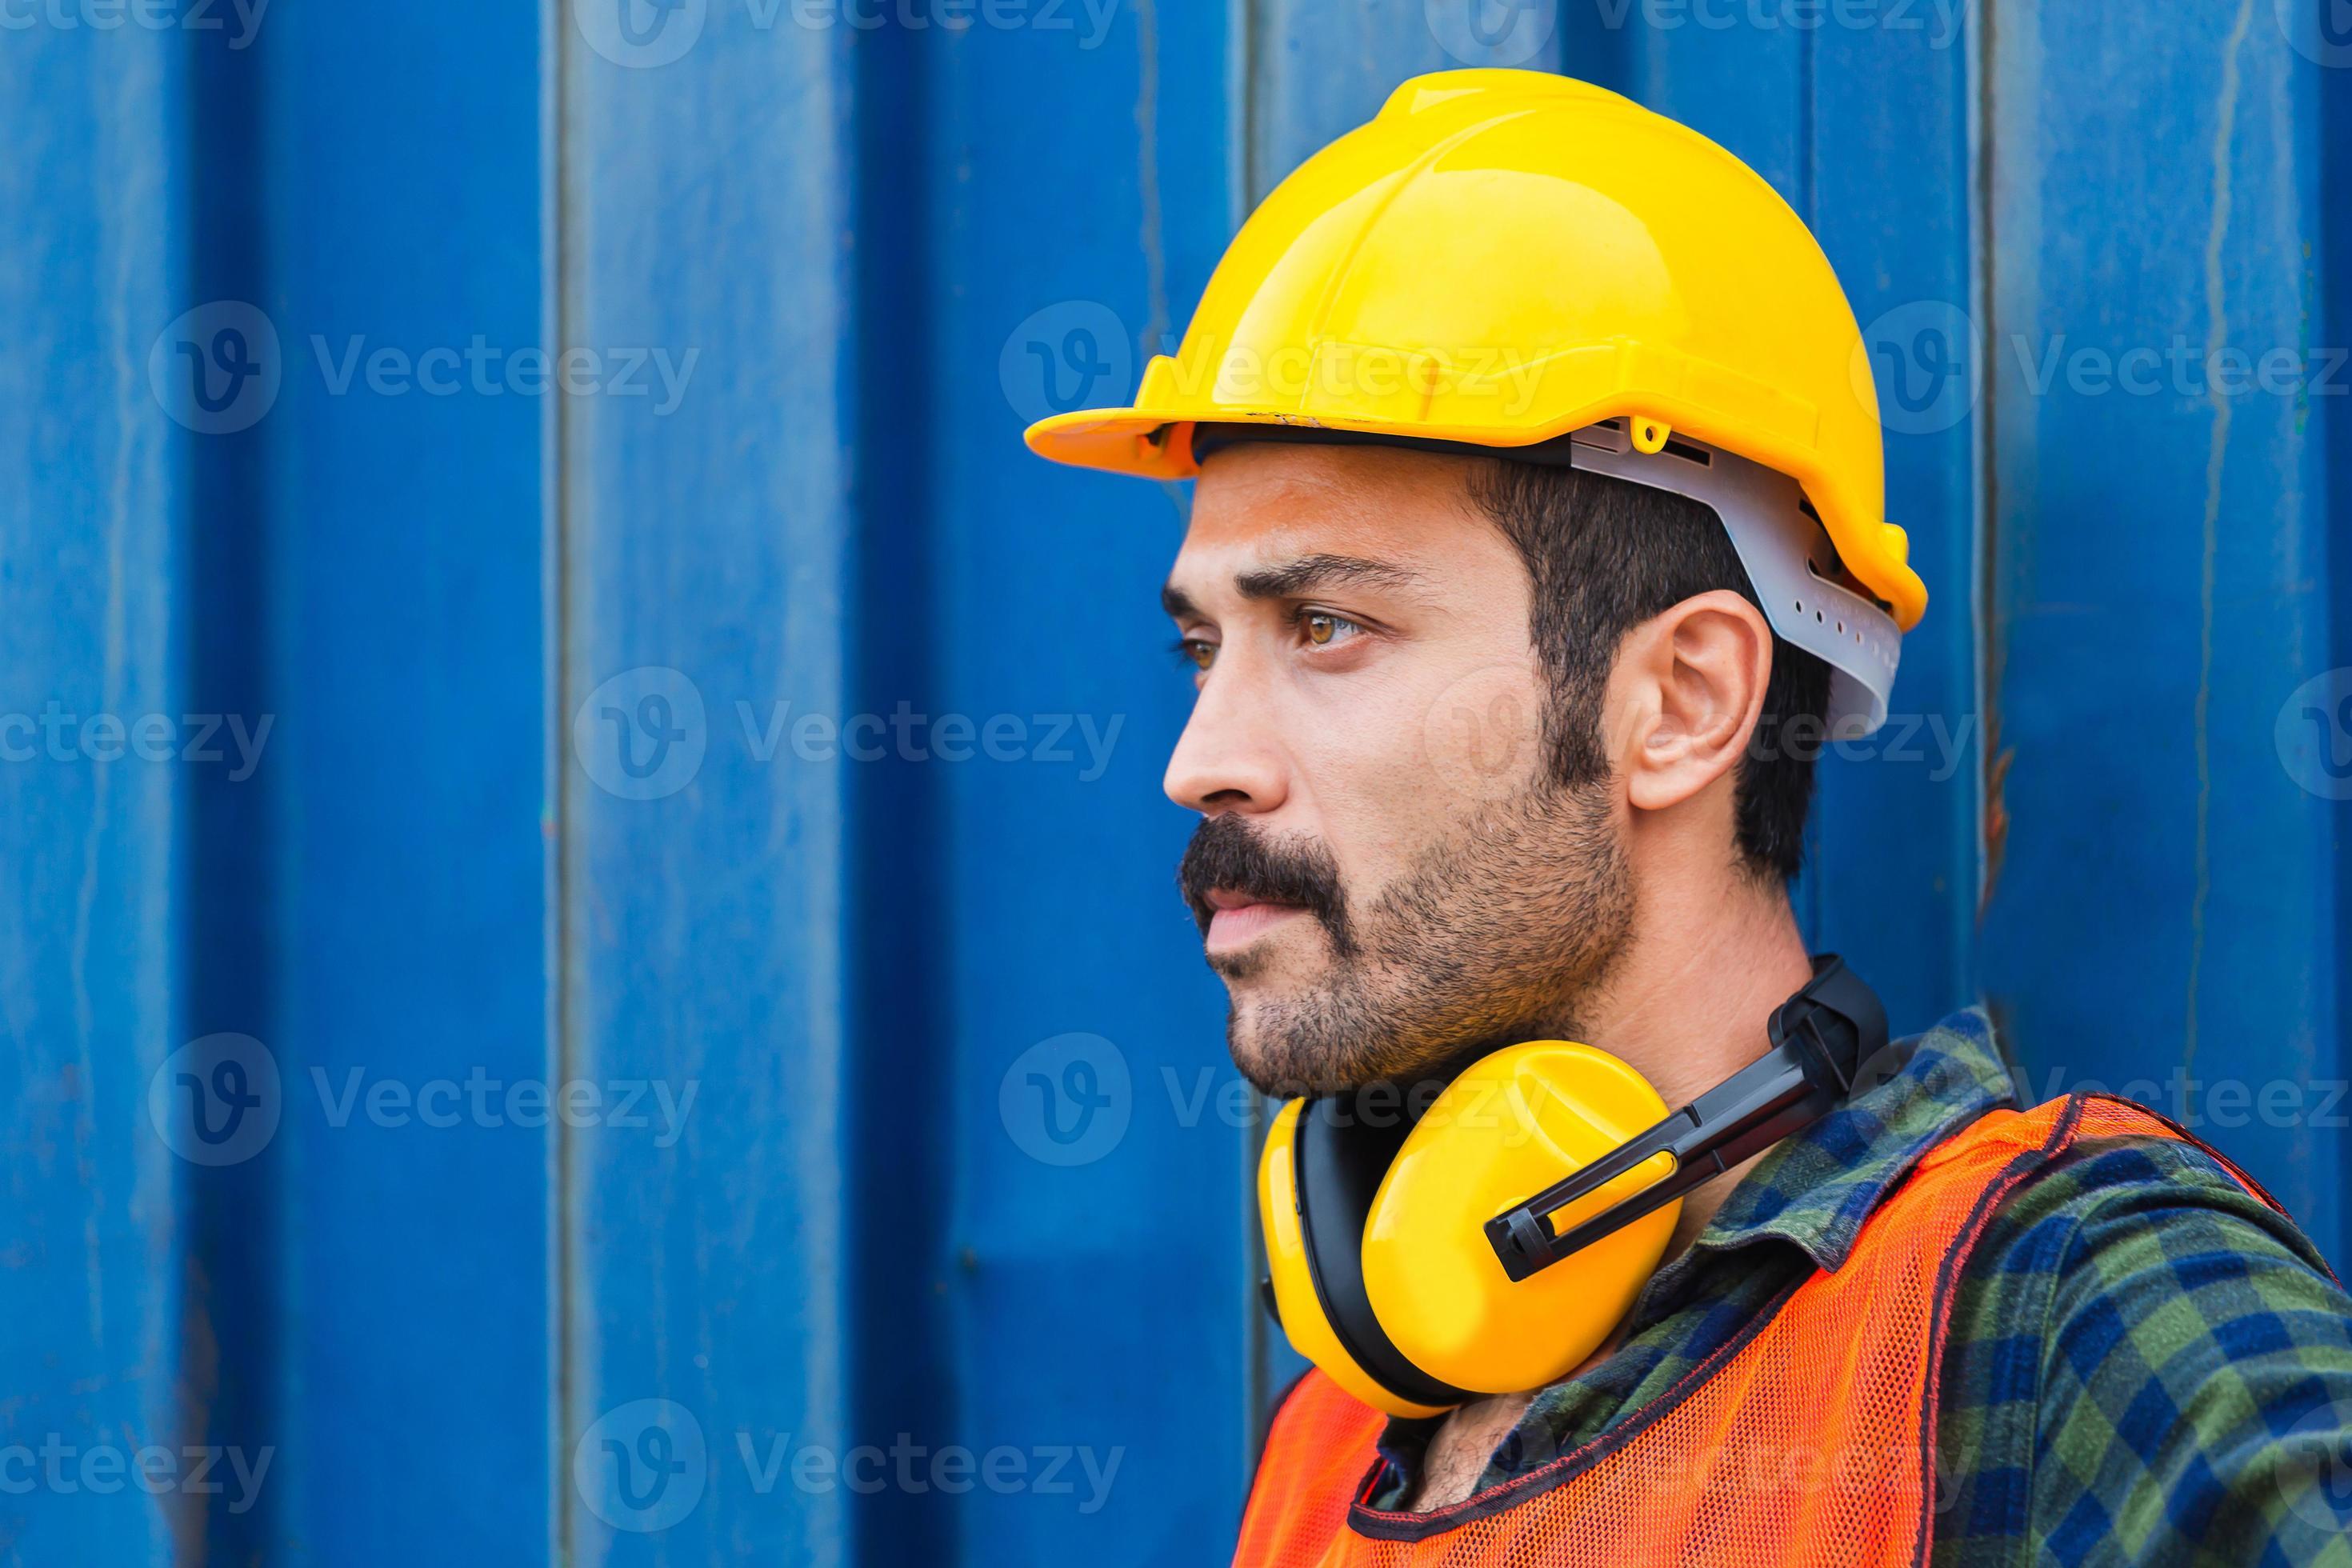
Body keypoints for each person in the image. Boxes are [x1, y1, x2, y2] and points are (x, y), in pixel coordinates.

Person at [1026, 67, 2352, 1567]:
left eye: (1327, 625)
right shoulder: (1337, 1434)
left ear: (1681, 702)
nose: (1199, 760)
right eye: (1204, 648)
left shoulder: (2063, 1319)